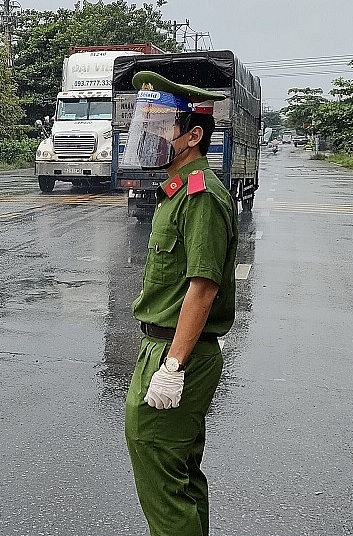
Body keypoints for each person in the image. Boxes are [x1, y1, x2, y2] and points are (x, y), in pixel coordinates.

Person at [121, 71, 239, 536]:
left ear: (193, 136)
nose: (151, 133)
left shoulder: (202, 195)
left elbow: (203, 288)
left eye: (163, 125)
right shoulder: (176, 192)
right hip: (164, 347)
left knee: (160, 470)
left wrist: (172, 367)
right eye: (147, 123)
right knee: (180, 473)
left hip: (177, 354)